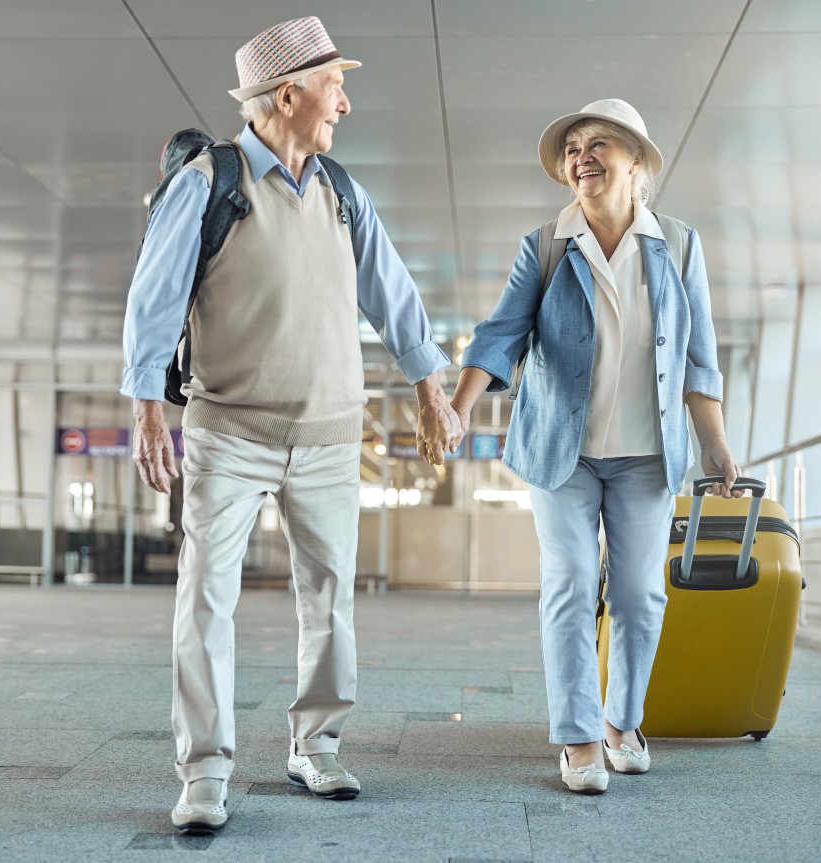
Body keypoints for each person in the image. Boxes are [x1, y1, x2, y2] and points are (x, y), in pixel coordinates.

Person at [121, 16, 460, 833]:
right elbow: (153, 298)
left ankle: (316, 743)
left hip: (329, 435)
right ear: (288, 94)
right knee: (205, 597)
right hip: (227, 433)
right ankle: (203, 772)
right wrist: (146, 408)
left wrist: (430, 386)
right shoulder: (209, 182)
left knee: (330, 596)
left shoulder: (345, 192)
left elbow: (393, 293)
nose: (344, 102)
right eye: (334, 85)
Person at [449, 99, 741, 794]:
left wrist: (717, 445)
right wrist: (458, 406)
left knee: (640, 594)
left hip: (647, 457)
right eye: (574, 146)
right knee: (572, 584)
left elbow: (699, 361)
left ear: (636, 161)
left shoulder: (679, 245)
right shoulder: (547, 245)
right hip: (561, 453)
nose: (582, 155)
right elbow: (500, 335)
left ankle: (622, 723)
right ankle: (579, 737)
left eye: (599, 143)